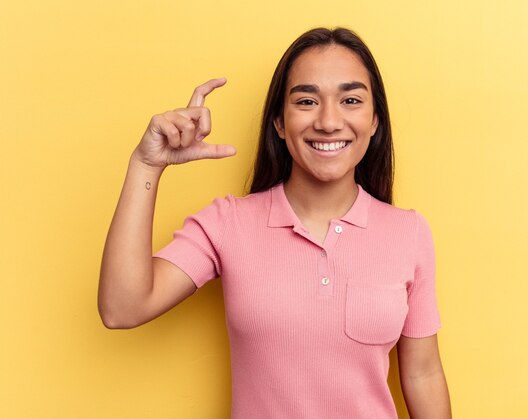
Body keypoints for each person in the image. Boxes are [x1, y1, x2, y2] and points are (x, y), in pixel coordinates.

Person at [99, 27, 452, 419]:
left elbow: (422, 373)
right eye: (306, 101)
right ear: (280, 124)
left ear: (374, 122)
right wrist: (147, 164)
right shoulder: (228, 223)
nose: (329, 121)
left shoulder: (409, 233)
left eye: (351, 100)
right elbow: (122, 308)